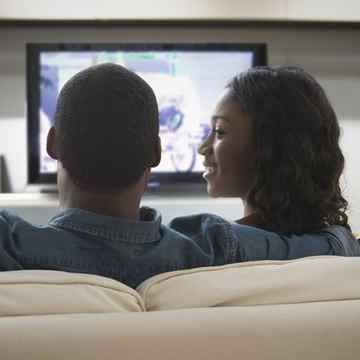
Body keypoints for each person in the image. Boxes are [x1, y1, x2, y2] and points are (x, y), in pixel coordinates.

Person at [0, 64, 358, 289]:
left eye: (218, 132)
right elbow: (330, 247)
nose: (204, 146)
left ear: (52, 144)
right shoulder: (217, 248)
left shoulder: (12, 245)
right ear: (156, 153)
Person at [170, 66, 360, 258]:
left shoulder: (211, 247)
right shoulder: (341, 246)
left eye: (220, 131)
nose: (203, 148)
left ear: (269, 146)